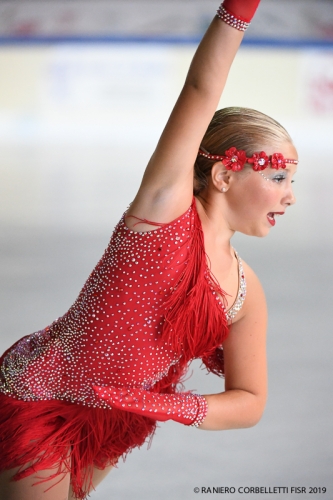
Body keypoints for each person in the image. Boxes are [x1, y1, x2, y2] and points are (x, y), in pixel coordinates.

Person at [0, 1, 299, 499]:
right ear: (225, 174)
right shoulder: (163, 215)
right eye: (277, 177)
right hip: (43, 395)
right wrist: (239, 10)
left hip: (117, 425)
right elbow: (201, 91)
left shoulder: (247, 291)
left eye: (293, 180)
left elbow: (250, 400)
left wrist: (170, 407)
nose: (291, 194)